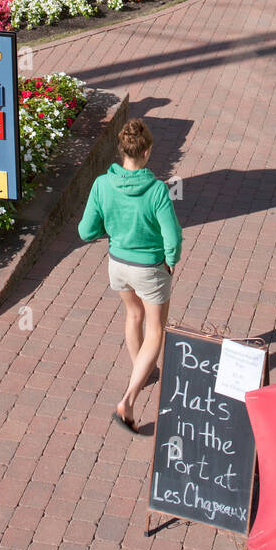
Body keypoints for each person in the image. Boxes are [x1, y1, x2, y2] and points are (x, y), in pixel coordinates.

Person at [78, 119, 182, 433]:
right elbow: (172, 237)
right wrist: (171, 261)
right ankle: (129, 399)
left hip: (118, 264)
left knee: (132, 314)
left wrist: (105, 230)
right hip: (149, 268)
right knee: (156, 330)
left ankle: (142, 367)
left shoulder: (101, 184)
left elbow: (86, 231)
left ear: (122, 150)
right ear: (147, 151)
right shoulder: (156, 191)